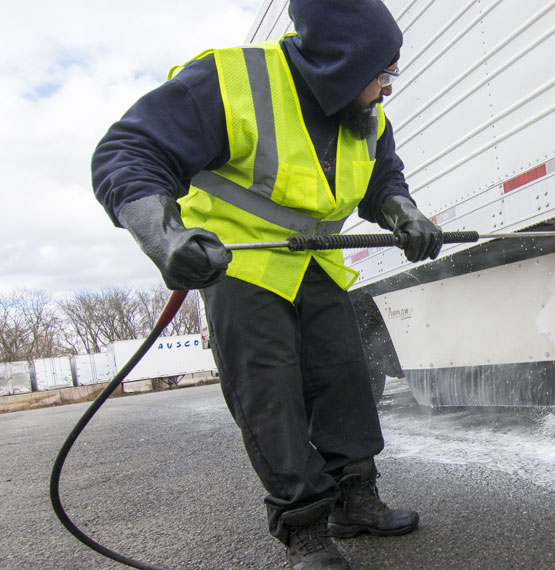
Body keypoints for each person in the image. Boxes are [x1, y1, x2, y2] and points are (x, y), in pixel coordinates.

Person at [91, 1, 441, 569]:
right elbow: (128, 151)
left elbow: (382, 176)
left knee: (346, 383)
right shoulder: (231, 81)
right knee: (270, 398)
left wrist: (404, 212)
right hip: (241, 269)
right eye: (382, 73)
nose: (387, 87)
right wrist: (163, 237)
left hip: (317, 265)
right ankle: (306, 532)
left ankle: (355, 500)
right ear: (341, 65)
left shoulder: (366, 115)